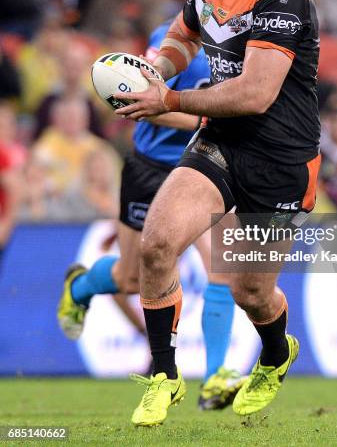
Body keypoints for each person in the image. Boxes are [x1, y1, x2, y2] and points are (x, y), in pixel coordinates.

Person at [113, 0, 321, 425]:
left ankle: (276, 354)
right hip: (221, 142)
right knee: (158, 244)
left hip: (281, 159)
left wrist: (170, 98)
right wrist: (155, 71)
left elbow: (255, 94)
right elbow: (183, 38)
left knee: (253, 292)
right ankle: (164, 377)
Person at [57, 22, 244, 411]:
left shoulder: (252, 46)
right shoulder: (174, 39)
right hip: (152, 169)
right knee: (131, 278)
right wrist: (207, 117)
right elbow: (145, 106)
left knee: (224, 267)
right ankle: (80, 287)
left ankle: (214, 380)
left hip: (203, 165)